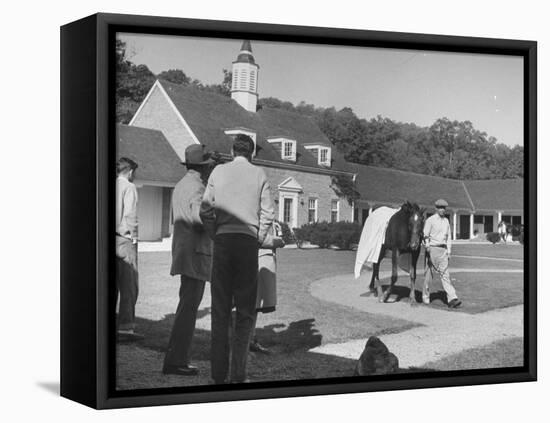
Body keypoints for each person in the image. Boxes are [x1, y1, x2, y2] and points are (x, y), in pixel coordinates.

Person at [200, 134, 275, 384]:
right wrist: (258, 237)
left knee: (220, 311)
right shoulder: (259, 174)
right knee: (245, 312)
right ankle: (238, 375)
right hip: (246, 245)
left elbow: (205, 210)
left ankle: (218, 376)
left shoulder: (218, 172)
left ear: (233, 150)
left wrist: (215, 234)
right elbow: (267, 212)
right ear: (252, 153)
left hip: (223, 243)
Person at [162, 145, 215, 376]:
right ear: (203, 166)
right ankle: (176, 362)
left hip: (186, 253)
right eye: (208, 164)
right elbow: (198, 219)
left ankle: (176, 359)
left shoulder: (182, 184)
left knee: (186, 308)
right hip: (195, 255)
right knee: (187, 311)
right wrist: (217, 222)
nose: (210, 167)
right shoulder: (197, 187)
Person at [115, 157, 142, 340]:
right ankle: (125, 328)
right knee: (129, 286)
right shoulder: (129, 187)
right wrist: (134, 237)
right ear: (130, 171)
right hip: (124, 239)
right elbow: (130, 214)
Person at [249, 221, 284, 354]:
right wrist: (278, 241)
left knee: (255, 306)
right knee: (252, 304)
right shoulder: (255, 212)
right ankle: (247, 340)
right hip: (258, 261)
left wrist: (279, 233)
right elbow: (258, 238)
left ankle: (250, 338)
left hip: (264, 260)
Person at [422, 199, 462, 309]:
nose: (442, 210)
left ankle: (452, 299)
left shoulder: (446, 221)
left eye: (444, 208)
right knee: (429, 275)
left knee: (445, 275)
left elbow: (449, 237)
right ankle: (425, 296)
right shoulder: (430, 220)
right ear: (436, 208)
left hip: (443, 250)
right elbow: (425, 235)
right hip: (433, 249)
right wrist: (427, 246)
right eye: (440, 207)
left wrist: (449, 251)